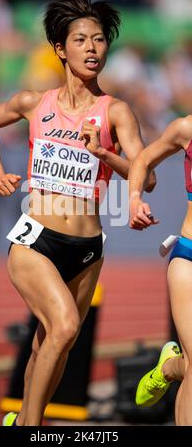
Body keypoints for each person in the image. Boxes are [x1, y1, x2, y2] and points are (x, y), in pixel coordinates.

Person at [0, 0, 155, 426]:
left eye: (99, 40)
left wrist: (105, 154)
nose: (93, 48)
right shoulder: (34, 103)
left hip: (88, 247)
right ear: (60, 48)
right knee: (64, 327)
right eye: (81, 40)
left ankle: (22, 419)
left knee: (50, 345)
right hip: (36, 238)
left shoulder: (116, 111)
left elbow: (145, 176)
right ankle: (30, 426)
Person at [128, 115, 192, 425]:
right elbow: (142, 159)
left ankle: (168, 367)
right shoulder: (186, 128)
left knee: (190, 365)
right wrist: (135, 199)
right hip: (189, 258)